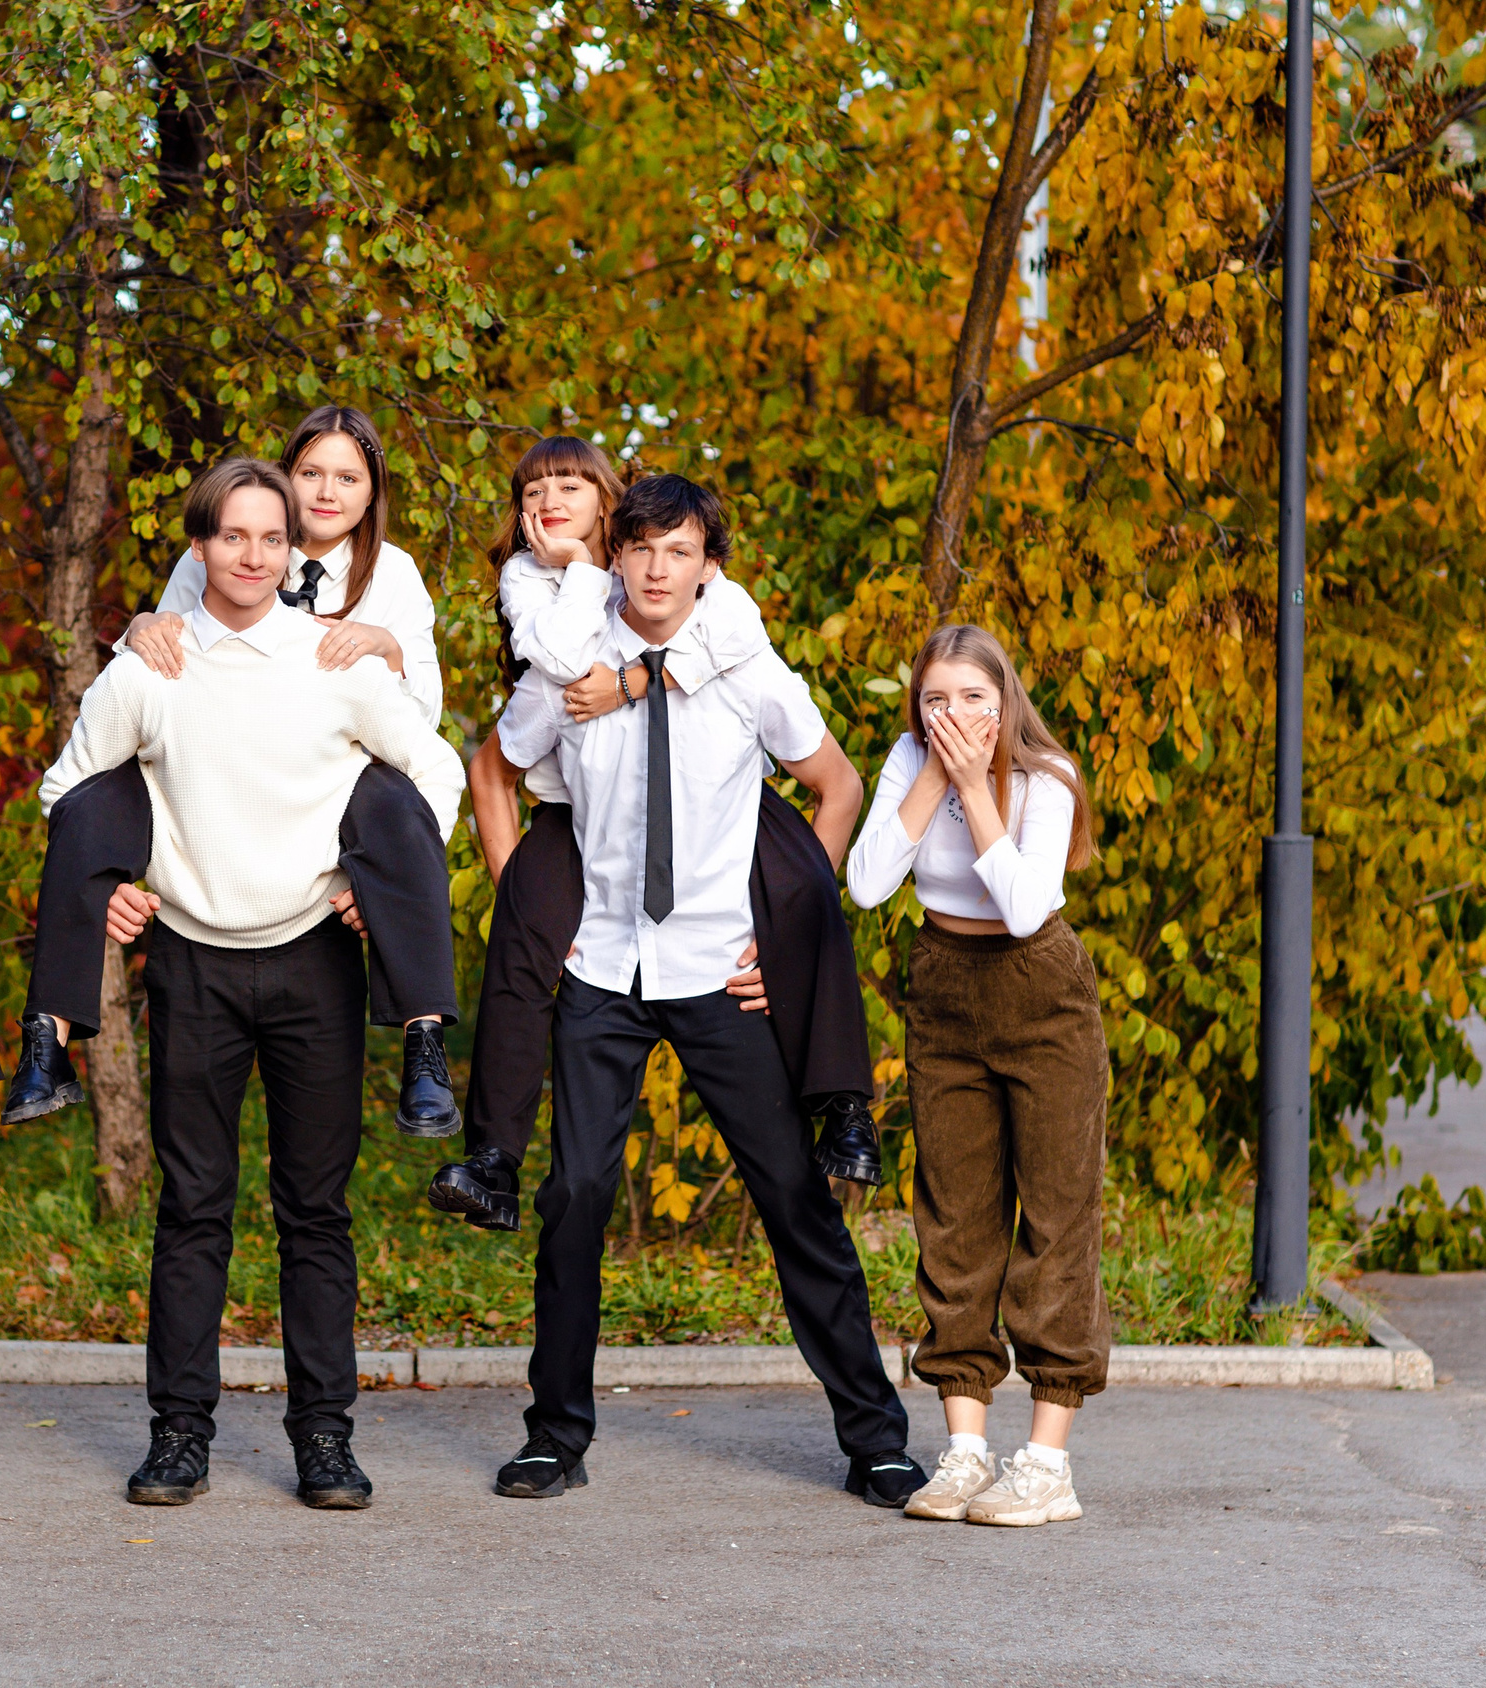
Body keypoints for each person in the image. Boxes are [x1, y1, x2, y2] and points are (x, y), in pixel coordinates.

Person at [36, 455, 465, 1512]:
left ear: (291, 551)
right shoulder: (153, 665)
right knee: (194, 1208)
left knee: (315, 1211)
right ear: (201, 548)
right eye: (234, 536)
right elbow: (68, 789)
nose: (255, 554)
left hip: (315, 957)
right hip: (192, 959)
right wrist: (112, 894)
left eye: (273, 538)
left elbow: (437, 774)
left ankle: (324, 1437)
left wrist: (387, 893)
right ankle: (179, 1433)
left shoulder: (337, 661)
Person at [494, 474, 923, 1508]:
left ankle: (875, 1438)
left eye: (677, 551)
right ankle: (555, 1433)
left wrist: (784, 933)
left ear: (706, 567)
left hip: (715, 972)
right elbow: (496, 763)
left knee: (793, 1195)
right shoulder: (573, 664)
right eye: (638, 546)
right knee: (576, 1196)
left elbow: (837, 784)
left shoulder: (742, 667)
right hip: (601, 964)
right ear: (618, 555)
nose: (653, 567)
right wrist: (525, 899)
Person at [430, 437, 881, 1234]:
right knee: (520, 942)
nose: (549, 502)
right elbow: (551, 677)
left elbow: (730, 628)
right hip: (580, 830)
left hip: (719, 840)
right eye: (533, 492)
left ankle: (846, 1103)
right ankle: (494, 1159)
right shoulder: (544, 590)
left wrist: (639, 677)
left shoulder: (703, 600)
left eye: (570, 485)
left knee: (806, 891)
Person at [7, 403, 460, 1139]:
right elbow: (168, 654)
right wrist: (136, 632)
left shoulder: (395, 577)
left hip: (352, 787)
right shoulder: (225, 551)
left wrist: (384, 650)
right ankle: (47, 1034)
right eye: (310, 472)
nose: (326, 491)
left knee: (392, 792)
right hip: (211, 823)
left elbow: (424, 729)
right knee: (100, 793)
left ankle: (424, 1036)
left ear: (373, 492)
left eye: (347, 477)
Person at [845, 623, 1107, 1528]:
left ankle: (1045, 1461)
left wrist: (975, 790)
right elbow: (871, 882)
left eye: (973, 700)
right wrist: (930, 780)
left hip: (1040, 992)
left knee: (1057, 1212)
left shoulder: (1050, 779)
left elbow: (1028, 905)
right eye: (936, 699)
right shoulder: (907, 764)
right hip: (946, 988)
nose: (953, 716)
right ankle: (962, 1449)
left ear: (1006, 702)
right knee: (954, 1218)